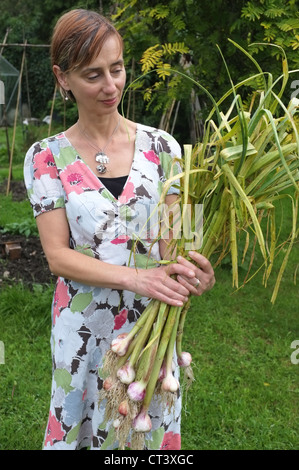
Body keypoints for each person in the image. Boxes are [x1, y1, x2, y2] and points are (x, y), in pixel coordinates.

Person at [24, 8, 215, 450]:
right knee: (84, 430)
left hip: (151, 327)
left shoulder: (163, 147)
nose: (111, 86)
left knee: (141, 437)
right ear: (62, 77)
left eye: (117, 68)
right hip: (82, 330)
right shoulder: (46, 157)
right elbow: (57, 256)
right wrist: (136, 276)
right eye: (93, 75)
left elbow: (180, 240)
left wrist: (195, 270)